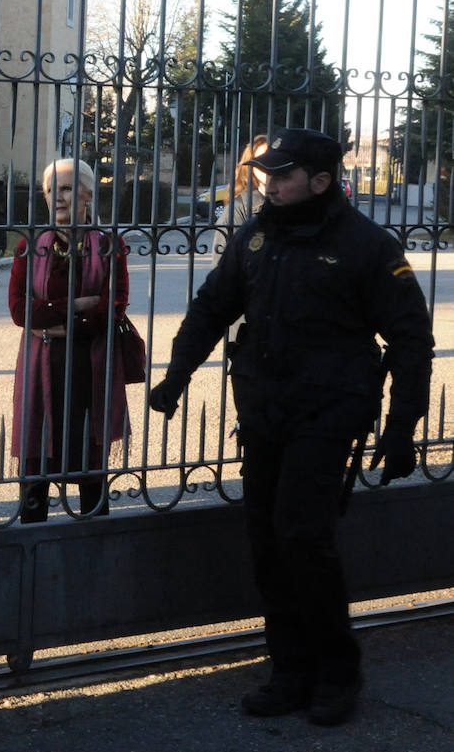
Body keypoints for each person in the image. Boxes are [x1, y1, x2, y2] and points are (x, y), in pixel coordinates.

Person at [148, 128, 434, 726]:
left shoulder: (367, 246)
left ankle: (336, 672)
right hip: (265, 411)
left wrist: (401, 427)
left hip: (328, 413)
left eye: (281, 175)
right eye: (265, 174)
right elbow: (211, 308)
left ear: (321, 181)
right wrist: (175, 376)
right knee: (268, 543)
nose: (268, 183)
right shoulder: (255, 238)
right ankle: (289, 670)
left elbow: (410, 339)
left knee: (304, 540)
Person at [9, 158, 131, 523]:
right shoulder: (29, 246)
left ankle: (93, 544)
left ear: (87, 195)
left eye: (65, 188)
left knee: (90, 472)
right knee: (37, 469)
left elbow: (113, 309)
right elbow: (20, 311)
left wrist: (51, 320)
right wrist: (77, 304)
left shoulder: (111, 246)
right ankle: (31, 544)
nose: (56, 197)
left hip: (88, 371)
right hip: (40, 371)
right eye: (51, 190)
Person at [211, 134, 269, 262]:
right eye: (260, 160)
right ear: (250, 165)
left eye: (272, 159)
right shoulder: (238, 208)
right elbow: (221, 264)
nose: (266, 166)